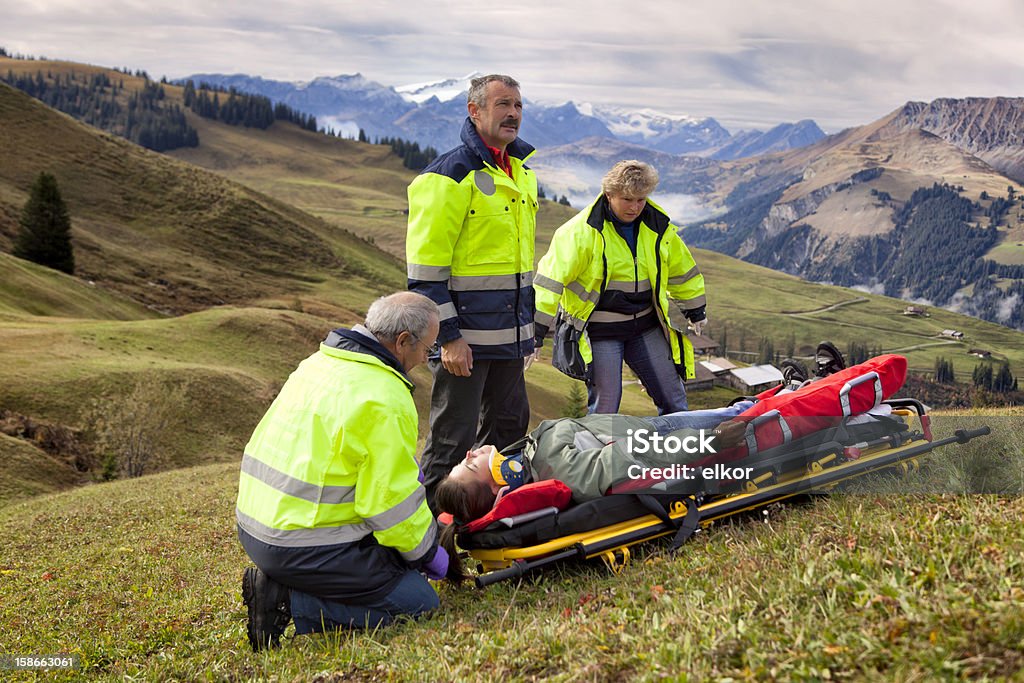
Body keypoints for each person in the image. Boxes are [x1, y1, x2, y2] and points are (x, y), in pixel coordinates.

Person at [236, 292, 448, 651]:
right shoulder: (385, 396)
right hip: (303, 544)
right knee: (418, 602)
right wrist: (429, 552)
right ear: (401, 342)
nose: (428, 357)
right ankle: (285, 598)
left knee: (394, 565)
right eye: (429, 347)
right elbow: (388, 507)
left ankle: (288, 585)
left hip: (255, 527)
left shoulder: (319, 363)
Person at [406, 74, 539, 511]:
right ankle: (429, 537)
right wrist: (448, 337)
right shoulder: (446, 176)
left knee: (509, 429)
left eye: (518, 105)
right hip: (464, 343)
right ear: (474, 110)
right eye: (503, 104)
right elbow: (425, 273)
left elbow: (516, 266)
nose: (514, 113)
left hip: (509, 340)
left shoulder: (521, 174)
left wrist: (527, 335)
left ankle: (489, 521)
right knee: (451, 442)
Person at [534, 160, 706, 415]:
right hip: (601, 331)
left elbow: (682, 271)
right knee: (605, 407)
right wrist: (535, 331)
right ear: (609, 194)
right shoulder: (579, 233)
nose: (635, 207)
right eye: (627, 199)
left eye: (641, 200)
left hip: (645, 326)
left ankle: (679, 452)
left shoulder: (658, 228)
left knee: (673, 397)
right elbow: (549, 282)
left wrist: (695, 309)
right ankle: (599, 454)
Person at [435, 402, 754, 525]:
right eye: (471, 465)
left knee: (736, 409)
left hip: (644, 426)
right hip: (661, 434)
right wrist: (710, 441)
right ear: (502, 480)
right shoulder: (559, 468)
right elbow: (635, 458)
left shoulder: (529, 460)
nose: (469, 454)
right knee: (747, 412)